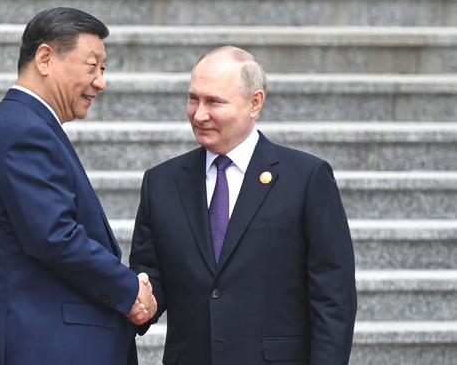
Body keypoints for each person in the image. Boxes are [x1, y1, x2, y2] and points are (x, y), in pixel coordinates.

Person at [129, 47, 357, 364]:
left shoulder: (305, 178)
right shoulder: (162, 182)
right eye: (193, 98)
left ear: (255, 102)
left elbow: (334, 296)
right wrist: (143, 301)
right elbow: (150, 272)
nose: (199, 114)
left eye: (214, 102)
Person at [0, 7, 155, 365]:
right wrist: (130, 290)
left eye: (103, 69)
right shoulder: (26, 131)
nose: (101, 82)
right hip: (39, 345)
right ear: (46, 58)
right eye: (92, 66)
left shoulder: (20, 123)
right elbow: (55, 236)